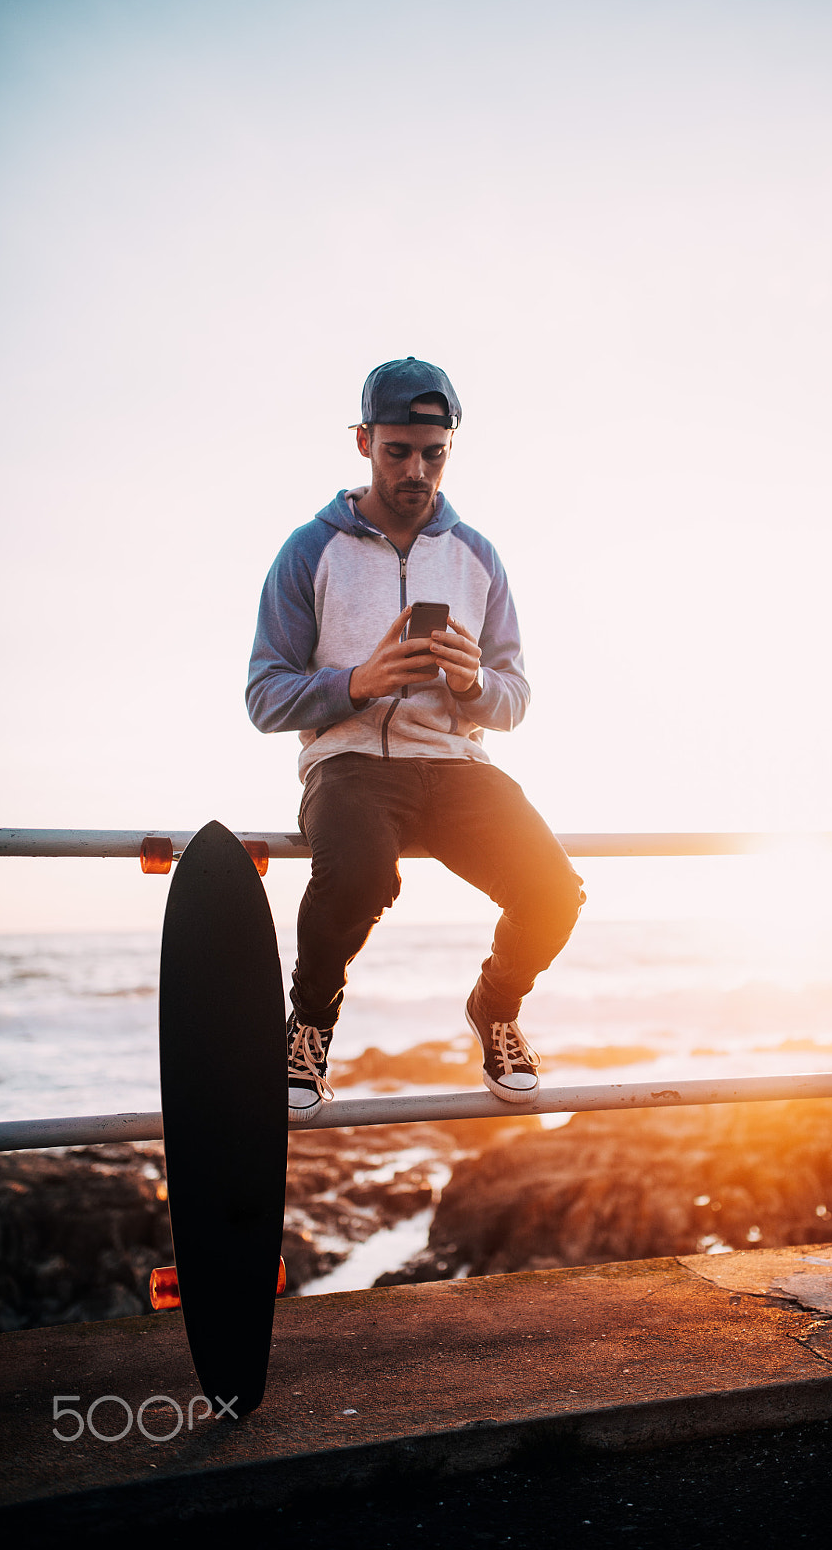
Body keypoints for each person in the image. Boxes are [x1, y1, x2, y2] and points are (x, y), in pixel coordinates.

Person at [246, 357, 584, 1121]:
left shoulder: (478, 556)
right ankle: (309, 1028)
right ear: (364, 441)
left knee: (555, 892)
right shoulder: (310, 551)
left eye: (433, 453)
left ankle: (495, 1009)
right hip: (349, 764)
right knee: (362, 873)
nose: (416, 470)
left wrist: (471, 686)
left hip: (456, 764)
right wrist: (355, 684)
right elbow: (264, 696)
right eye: (398, 450)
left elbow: (515, 699)